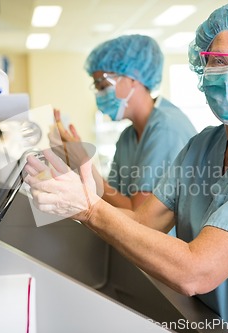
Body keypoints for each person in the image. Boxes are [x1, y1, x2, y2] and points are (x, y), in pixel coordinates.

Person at [25, 1, 228, 332]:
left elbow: (196, 271)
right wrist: (82, 195)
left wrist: (90, 209)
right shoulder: (203, 146)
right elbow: (143, 221)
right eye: (218, 61)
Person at [50, 35, 197, 236]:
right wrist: (74, 161)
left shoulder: (166, 128)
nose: (100, 95)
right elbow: (111, 200)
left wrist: (85, 165)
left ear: (133, 78)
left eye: (103, 86)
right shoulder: (128, 136)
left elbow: (139, 216)